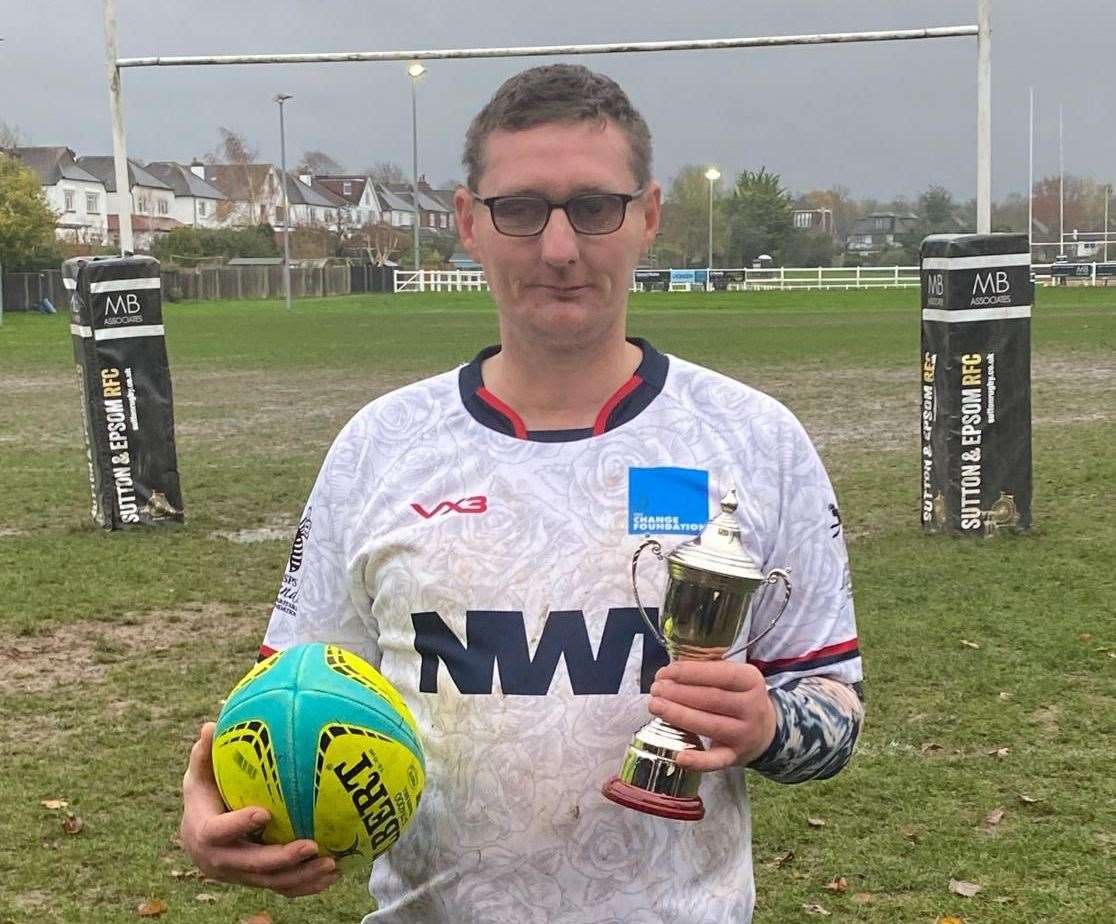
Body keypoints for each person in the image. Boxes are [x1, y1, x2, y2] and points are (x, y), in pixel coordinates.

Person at [180, 64, 864, 923]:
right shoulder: (379, 447)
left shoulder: (756, 441)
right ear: (469, 222)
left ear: (647, 215)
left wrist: (766, 729)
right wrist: (216, 802)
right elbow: (287, 692)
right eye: (520, 209)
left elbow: (834, 705)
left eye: (594, 207)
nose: (559, 247)